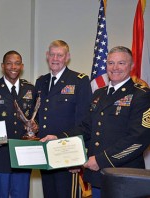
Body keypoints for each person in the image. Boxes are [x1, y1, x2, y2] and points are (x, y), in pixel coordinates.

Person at [41, 46, 150, 198]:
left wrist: (101, 160)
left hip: (123, 176)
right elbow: (86, 128)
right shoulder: (100, 94)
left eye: (121, 63)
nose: (115, 68)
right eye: (111, 63)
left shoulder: (141, 95)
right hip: (97, 175)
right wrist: (58, 138)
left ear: (131, 66)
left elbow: (138, 140)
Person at [35, 40, 92, 198]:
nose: (55, 58)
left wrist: (78, 156)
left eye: (59, 55)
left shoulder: (79, 81)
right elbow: (38, 116)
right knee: (49, 194)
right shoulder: (41, 81)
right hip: (45, 151)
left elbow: (84, 122)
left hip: (67, 153)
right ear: (47, 56)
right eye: (52, 54)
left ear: (67, 57)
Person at [0, 50, 37, 198]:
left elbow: (37, 117)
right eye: (9, 63)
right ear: (2, 66)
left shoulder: (31, 89)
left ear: (22, 66)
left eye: (17, 63)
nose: (13, 67)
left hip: (23, 156)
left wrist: (36, 126)